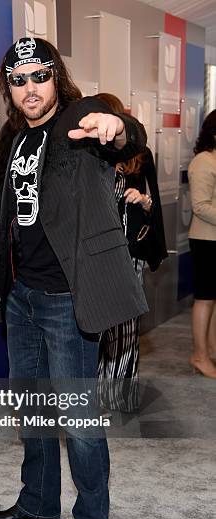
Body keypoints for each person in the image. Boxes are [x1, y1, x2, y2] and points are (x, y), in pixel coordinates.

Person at [0, 37, 148, 519]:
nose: (29, 87)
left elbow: (124, 136)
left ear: (57, 78)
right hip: (22, 295)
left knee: (78, 420)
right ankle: (37, 501)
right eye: (18, 78)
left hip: (67, 296)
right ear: (8, 88)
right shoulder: (12, 138)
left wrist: (118, 129)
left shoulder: (81, 119)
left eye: (39, 75)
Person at [95, 93, 167, 412]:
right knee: (97, 324)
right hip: (99, 253)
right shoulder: (89, 157)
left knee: (125, 326)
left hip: (131, 251)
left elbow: (153, 205)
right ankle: (96, 392)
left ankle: (119, 395)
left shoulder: (140, 154)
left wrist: (143, 201)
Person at [188, 109, 216, 378]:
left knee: (213, 299)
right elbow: (200, 206)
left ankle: (210, 350)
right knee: (205, 298)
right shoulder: (204, 162)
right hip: (206, 240)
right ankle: (199, 355)